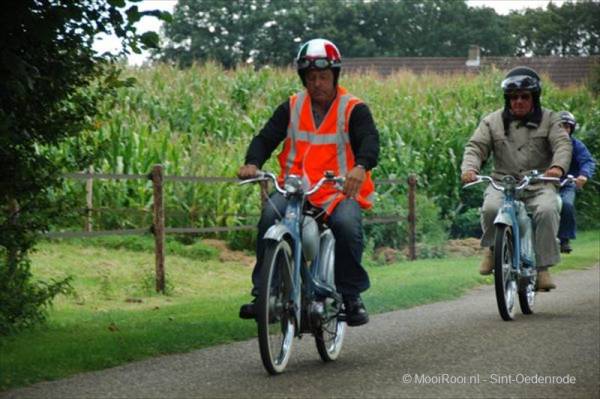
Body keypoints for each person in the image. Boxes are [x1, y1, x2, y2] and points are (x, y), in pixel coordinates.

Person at [237, 38, 379, 326]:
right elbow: (266, 138)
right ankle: (264, 293)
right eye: (311, 77)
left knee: (347, 226)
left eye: (324, 77)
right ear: (304, 78)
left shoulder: (353, 108)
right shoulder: (291, 106)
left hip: (338, 190)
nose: (317, 83)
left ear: (335, 76)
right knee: (268, 219)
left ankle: (351, 297)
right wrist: (253, 162)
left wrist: (361, 167)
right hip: (295, 189)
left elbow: (369, 140)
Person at [460, 66, 572, 291]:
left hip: (539, 182)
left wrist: (557, 168)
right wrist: (470, 168)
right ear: (507, 100)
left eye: (524, 97)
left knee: (547, 210)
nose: (518, 102)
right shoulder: (492, 121)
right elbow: (475, 147)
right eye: (513, 98)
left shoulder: (550, 119)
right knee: (491, 208)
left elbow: (562, 144)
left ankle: (542, 269)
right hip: (503, 183)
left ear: (534, 98)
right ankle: (492, 250)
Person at [556, 111, 596, 253]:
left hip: (566, 183)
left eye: (567, 127)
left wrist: (583, 175)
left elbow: (587, 161)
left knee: (566, 205)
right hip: (545, 183)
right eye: (561, 126)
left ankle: (564, 239)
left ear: (571, 129)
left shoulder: (576, 145)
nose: (564, 130)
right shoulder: (545, 144)